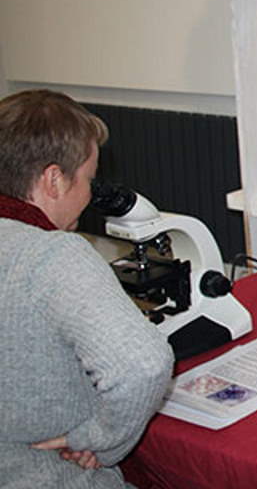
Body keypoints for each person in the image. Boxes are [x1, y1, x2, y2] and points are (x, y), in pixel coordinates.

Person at [0, 89, 174, 487]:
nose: (89, 196)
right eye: (89, 180)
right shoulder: (52, 254)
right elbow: (143, 365)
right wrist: (101, 442)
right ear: (54, 179)